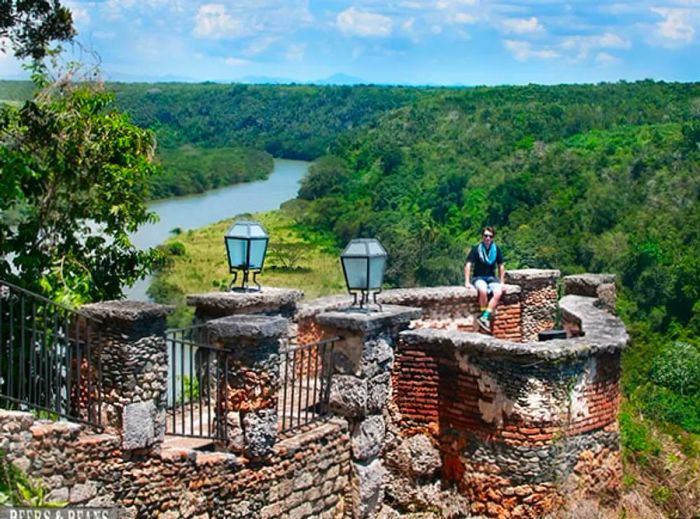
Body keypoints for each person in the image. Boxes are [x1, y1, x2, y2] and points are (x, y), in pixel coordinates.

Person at [464, 226, 505, 333]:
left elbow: (501, 265)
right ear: (482, 237)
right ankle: (484, 315)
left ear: (493, 238)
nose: (487, 238)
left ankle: (485, 316)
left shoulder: (496, 250)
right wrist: (467, 282)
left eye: (490, 236)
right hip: (478, 277)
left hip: (491, 278)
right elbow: (468, 264)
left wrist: (502, 282)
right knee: (482, 290)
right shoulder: (476, 249)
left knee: (498, 292)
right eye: (485, 236)